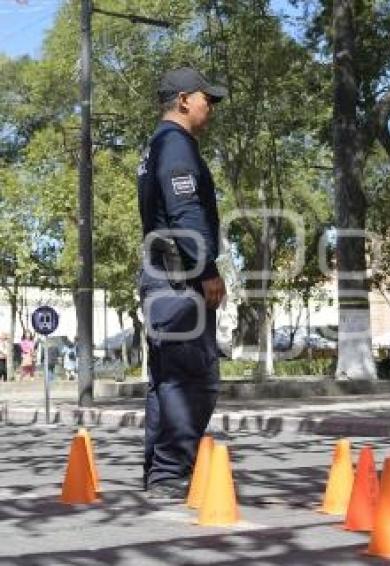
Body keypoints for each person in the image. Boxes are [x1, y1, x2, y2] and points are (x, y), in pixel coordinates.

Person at [137, 67, 227, 500]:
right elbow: (184, 210)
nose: (210, 106)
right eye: (206, 98)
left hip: (163, 277)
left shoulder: (157, 144)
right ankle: (171, 473)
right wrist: (206, 269)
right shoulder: (175, 145)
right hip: (178, 278)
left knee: (168, 379)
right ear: (184, 100)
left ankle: (160, 471)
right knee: (195, 379)